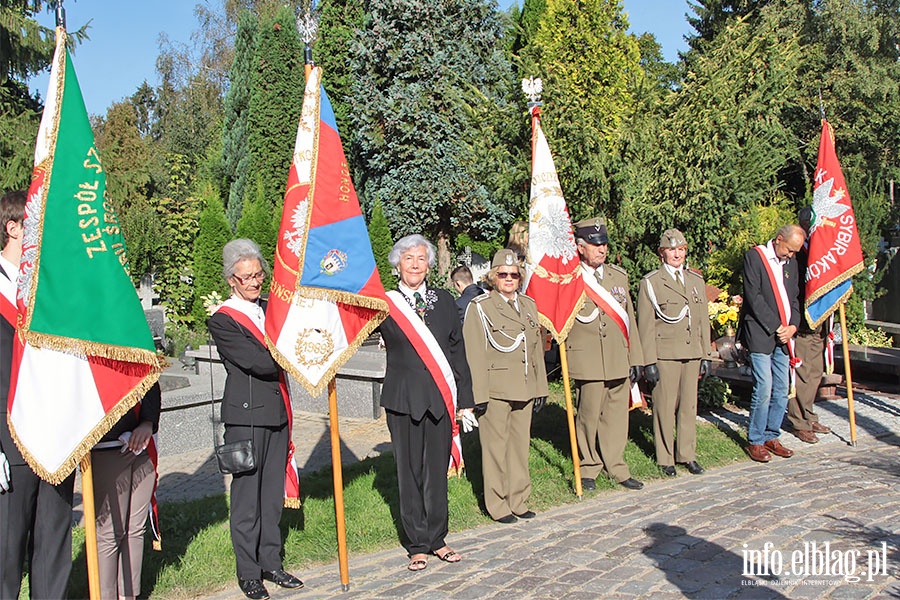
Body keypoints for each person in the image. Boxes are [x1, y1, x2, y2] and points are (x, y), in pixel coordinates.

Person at [207, 238, 303, 600]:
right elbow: (260, 362)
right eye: (246, 277)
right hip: (246, 417)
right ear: (231, 279)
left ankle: (271, 563)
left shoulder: (271, 308)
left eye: (258, 275)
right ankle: (248, 573)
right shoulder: (223, 319)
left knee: (271, 498)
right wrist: (292, 350)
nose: (254, 282)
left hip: (277, 413)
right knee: (247, 501)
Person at [379, 234, 476, 572]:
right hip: (403, 398)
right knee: (409, 473)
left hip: (438, 397)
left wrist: (465, 400)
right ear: (397, 265)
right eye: (408, 259)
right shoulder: (384, 303)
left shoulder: (445, 301)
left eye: (421, 258)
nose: (415, 264)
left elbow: (456, 351)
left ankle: (438, 538)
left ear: (430, 265)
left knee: (436, 470)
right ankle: (417, 543)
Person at [0, 190, 76, 599]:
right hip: (8, 443)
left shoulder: (48, 291)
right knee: (6, 555)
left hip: (55, 437)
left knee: (53, 548)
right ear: (13, 228)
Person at [462, 249, 548, 523]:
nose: (509, 278)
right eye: (503, 274)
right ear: (492, 277)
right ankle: (498, 505)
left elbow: (535, 352)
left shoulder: (529, 306)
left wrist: (541, 388)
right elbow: (474, 353)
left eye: (514, 274)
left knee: (520, 447)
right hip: (496, 390)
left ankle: (518, 499)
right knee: (495, 449)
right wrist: (479, 394)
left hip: (524, 386)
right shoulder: (481, 308)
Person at [565, 217, 645, 491]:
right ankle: (588, 466)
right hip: (586, 357)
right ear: (580, 247)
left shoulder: (618, 276)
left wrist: (635, 358)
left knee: (616, 415)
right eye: (594, 244)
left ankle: (616, 466)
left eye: (604, 244)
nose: (601, 249)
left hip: (616, 355)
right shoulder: (570, 278)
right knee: (588, 414)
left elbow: (630, 320)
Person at [637, 229, 711, 477]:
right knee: (665, 407)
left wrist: (706, 354)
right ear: (662, 253)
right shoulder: (651, 283)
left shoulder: (695, 281)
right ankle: (665, 456)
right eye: (671, 250)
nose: (676, 254)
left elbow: (702, 321)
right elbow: (645, 326)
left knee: (689, 406)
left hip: (691, 351)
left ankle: (687, 454)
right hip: (665, 353)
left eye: (680, 249)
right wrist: (649, 361)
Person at [739, 224, 806, 463]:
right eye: (789, 249)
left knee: (781, 388)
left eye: (795, 252)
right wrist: (776, 326)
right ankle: (755, 440)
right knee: (764, 387)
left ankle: (771, 435)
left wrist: (793, 326)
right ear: (778, 240)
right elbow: (753, 296)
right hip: (760, 332)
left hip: (785, 336)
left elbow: (795, 298)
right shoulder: (755, 257)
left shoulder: (791, 264)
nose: (792, 255)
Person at [91, 382, 161, 600]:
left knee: (135, 528)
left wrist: (147, 422)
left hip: (143, 442)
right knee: (110, 532)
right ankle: (106, 596)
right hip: (107, 444)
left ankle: (130, 595)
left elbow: (151, 376)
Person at [788, 208, 831, 444]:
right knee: (802, 374)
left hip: (818, 321)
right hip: (803, 322)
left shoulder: (821, 251)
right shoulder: (798, 254)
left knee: (815, 373)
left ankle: (809, 413)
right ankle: (799, 421)